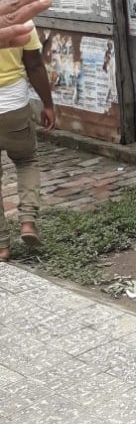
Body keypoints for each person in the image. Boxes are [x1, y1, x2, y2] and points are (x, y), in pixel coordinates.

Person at [0, 21, 55, 259]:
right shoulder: (21, 21)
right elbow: (34, 65)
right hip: (14, 108)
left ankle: (2, 246)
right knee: (26, 161)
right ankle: (28, 221)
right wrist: (48, 104)